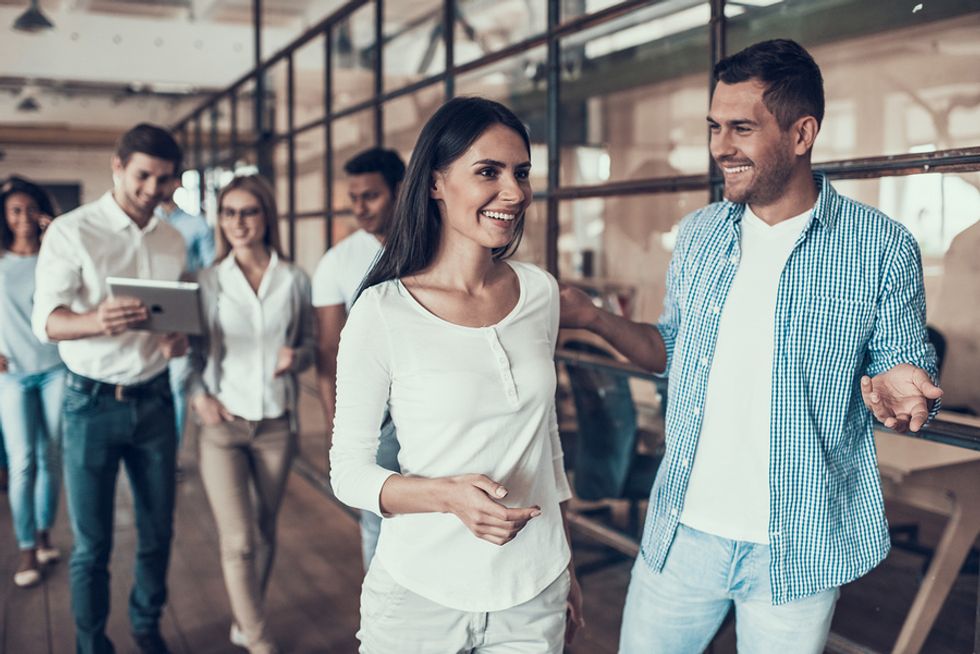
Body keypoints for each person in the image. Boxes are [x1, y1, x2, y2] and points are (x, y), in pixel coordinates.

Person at [560, 39, 943, 653]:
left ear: (801, 133)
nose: (719, 147)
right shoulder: (699, 235)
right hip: (681, 532)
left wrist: (902, 381)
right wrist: (591, 318)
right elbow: (674, 349)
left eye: (741, 128)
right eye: (715, 127)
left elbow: (902, 358)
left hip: (796, 548)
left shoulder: (882, 247)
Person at [330, 96, 584, 653]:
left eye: (521, 173)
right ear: (435, 183)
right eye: (488, 172)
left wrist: (563, 561)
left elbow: (545, 439)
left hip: (534, 589)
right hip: (419, 594)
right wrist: (447, 497)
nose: (513, 192)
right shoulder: (382, 311)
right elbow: (347, 472)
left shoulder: (539, 292)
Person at [32, 124, 188, 654]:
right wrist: (97, 320)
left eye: (163, 179)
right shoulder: (72, 232)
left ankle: (147, 626)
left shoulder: (173, 238)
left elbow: (173, 317)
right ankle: (90, 643)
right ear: (118, 167)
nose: (152, 189)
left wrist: (176, 339)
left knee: (158, 531)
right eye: (143, 175)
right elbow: (47, 322)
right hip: (89, 403)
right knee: (92, 544)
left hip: (155, 399)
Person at [187, 174, 315, 654]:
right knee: (238, 539)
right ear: (220, 221)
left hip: (277, 425)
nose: (238, 222)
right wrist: (200, 395)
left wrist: (296, 359)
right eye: (228, 213)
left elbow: (306, 346)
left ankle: (246, 618)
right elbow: (191, 352)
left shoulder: (295, 279)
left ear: (266, 217)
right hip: (223, 425)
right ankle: (259, 640)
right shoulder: (207, 281)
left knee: (263, 531)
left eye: (248, 212)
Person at [312, 147, 405, 568]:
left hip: (438, 407)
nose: (359, 208)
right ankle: (383, 626)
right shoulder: (338, 262)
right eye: (353, 198)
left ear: (400, 191)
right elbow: (328, 351)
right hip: (380, 419)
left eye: (370, 196)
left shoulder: (438, 246)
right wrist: (338, 426)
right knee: (377, 523)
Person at [0, 176, 66, 588]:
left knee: (51, 457)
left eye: (29, 210)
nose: (23, 218)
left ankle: (44, 532)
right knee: (22, 462)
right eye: (15, 211)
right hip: (11, 375)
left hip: (56, 368)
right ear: (5, 217)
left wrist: (54, 236)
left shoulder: (55, 258)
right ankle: (26, 546)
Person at [156, 180, 215, 453]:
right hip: (147, 313)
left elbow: (209, 270)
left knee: (177, 385)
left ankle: (173, 456)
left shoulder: (197, 225)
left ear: (177, 182)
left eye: (165, 178)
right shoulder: (146, 224)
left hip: (183, 312)